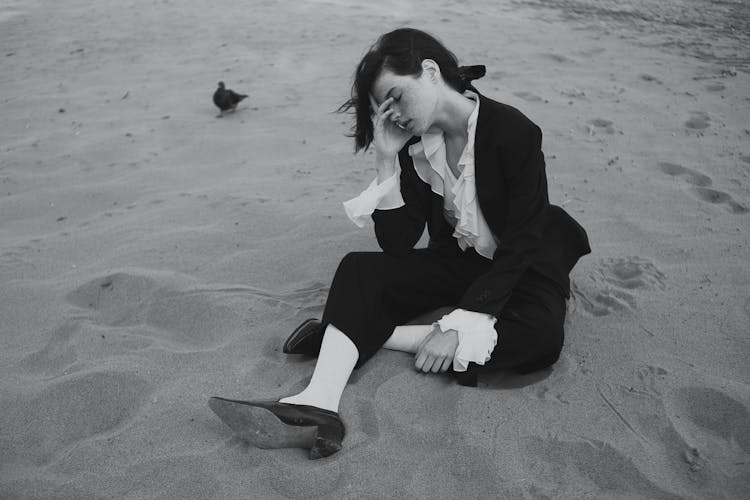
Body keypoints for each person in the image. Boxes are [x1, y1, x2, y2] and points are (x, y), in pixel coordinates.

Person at [209, 28, 591, 459]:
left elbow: (522, 243)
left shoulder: (514, 131)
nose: (394, 115)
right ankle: (318, 404)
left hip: (526, 262)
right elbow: (397, 243)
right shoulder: (416, 148)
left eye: (396, 97)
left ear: (429, 72)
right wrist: (386, 158)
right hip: (463, 260)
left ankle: (359, 331)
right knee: (359, 269)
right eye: (382, 110)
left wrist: (458, 325)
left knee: (540, 339)